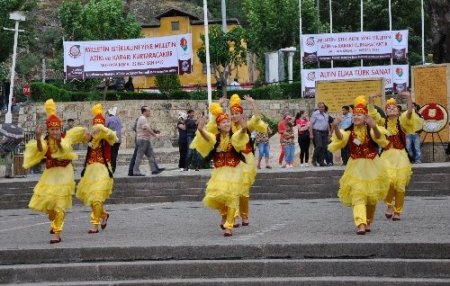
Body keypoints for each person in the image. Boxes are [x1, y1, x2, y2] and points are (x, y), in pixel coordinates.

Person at [23, 99, 84, 243]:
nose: (55, 131)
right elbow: (40, 149)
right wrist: (38, 138)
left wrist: (57, 141)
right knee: (49, 205)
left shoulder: (65, 138)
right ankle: (54, 221)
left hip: (64, 173)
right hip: (50, 173)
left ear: (60, 128)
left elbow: (63, 150)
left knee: (60, 205)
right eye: (52, 129)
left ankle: (57, 233)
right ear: (48, 130)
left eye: (57, 129)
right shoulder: (45, 139)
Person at [328, 96, 389, 235]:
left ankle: (367, 221)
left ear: (365, 116)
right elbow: (339, 138)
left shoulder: (371, 130)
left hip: (372, 165)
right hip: (355, 167)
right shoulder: (349, 132)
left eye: (359, 115)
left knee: (371, 199)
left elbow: (379, 138)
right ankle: (360, 223)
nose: (356, 117)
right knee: (358, 195)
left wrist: (374, 126)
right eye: (354, 115)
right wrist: (335, 126)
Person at [190, 103, 249, 237]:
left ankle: (229, 226)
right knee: (218, 196)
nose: (227, 123)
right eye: (223, 122)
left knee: (232, 197)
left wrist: (242, 122)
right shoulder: (214, 138)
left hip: (234, 171)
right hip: (220, 171)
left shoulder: (234, 137)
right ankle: (223, 214)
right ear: (218, 125)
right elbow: (203, 133)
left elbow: (244, 131)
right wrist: (201, 126)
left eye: (228, 121)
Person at [368, 91, 421, 221]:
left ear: (398, 110)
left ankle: (398, 211)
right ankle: (389, 206)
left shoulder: (402, 121)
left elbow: (409, 112)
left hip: (401, 155)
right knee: (389, 181)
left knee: (400, 185)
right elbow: (372, 114)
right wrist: (371, 100)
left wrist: (409, 97)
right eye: (388, 108)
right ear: (385, 112)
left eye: (393, 107)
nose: (391, 108)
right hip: (386, 155)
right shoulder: (382, 122)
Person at [76, 103, 118, 234]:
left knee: (97, 198)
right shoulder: (90, 138)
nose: (97, 130)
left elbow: (113, 137)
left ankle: (94, 225)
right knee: (92, 199)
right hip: (90, 171)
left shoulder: (107, 138)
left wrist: (103, 130)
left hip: (103, 170)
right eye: (95, 127)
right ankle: (104, 215)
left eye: (99, 127)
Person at [227, 94, 267, 226]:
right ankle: (235, 216)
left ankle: (244, 215)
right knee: (233, 189)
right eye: (232, 113)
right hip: (232, 159)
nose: (234, 115)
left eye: (237, 113)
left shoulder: (248, 125)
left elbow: (257, 118)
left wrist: (252, 102)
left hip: (246, 159)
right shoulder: (228, 127)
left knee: (243, 191)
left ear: (241, 114)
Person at [132, 105, 164, 176]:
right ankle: (135, 171)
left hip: (146, 140)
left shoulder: (144, 119)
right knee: (139, 156)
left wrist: (155, 133)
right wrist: (155, 135)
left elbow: (148, 129)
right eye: (148, 111)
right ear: (145, 111)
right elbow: (146, 128)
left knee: (151, 155)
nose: (150, 112)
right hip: (142, 140)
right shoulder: (142, 118)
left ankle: (154, 170)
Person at [309, 102, 330, 167]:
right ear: (318, 108)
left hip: (324, 132)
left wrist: (329, 132)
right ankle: (314, 160)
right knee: (319, 146)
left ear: (324, 107)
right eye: (320, 107)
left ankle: (321, 162)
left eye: (322, 107)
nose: (321, 108)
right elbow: (311, 124)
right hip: (317, 132)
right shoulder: (315, 114)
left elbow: (327, 124)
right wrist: (311, 134)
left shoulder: (326, 115)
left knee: (324, 147)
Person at [106, 106, 122, 173]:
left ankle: (111, 168)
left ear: (109, 114)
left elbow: (105, 128)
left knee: (111, 153)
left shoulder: (108, 119)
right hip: (119, 139)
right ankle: (113, 168)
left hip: (112, 139)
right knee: (115, 153)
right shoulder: (118, 118)